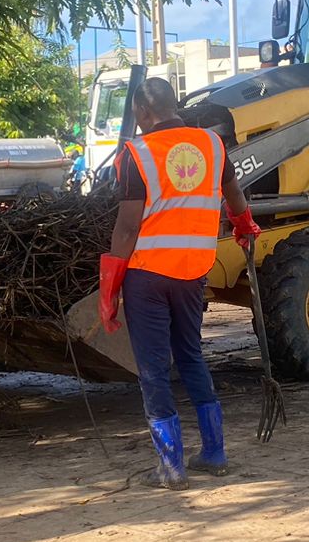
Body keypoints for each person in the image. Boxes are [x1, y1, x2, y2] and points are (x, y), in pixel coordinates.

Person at [99, 77, 259, 489]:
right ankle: (215, 452)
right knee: (190, 356)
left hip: (147, 276)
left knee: (153, 369)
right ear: (174, 106)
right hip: (193, 272)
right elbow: (234, 195)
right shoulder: (212, 145)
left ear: (140, 113)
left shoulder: (136, 153)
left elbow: (127, 227)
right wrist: (245, 228)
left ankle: (171, 467)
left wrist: (110, 288)